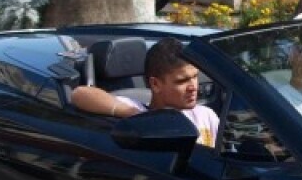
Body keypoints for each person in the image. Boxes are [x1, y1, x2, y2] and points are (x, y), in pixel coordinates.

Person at [71, 37, 219, 147]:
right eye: (182, 81)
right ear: (155, 84)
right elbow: (79, 94)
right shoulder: (137, 109)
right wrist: (138, 116)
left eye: (195, 77)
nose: (193, 86)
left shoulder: (206, 115)